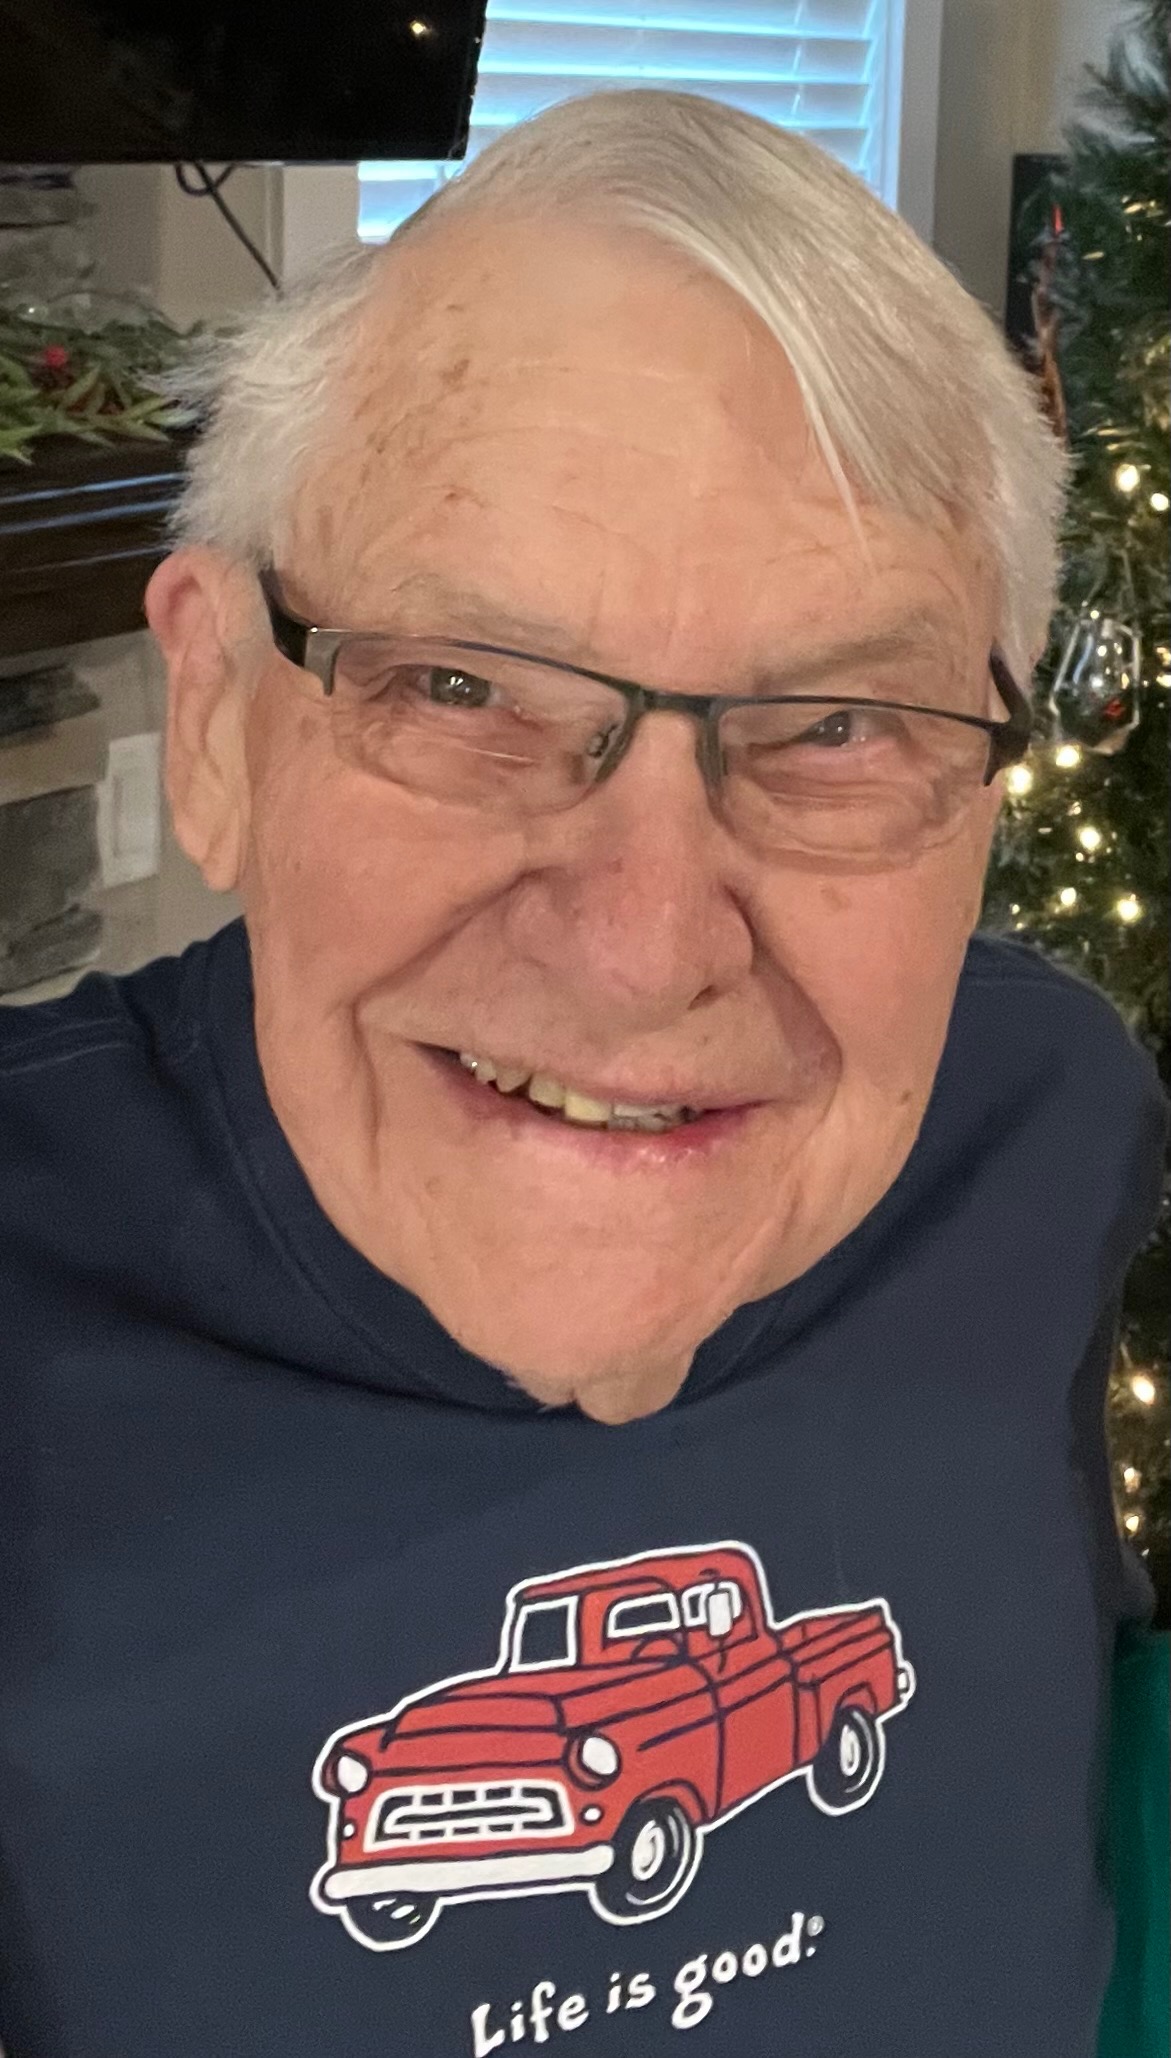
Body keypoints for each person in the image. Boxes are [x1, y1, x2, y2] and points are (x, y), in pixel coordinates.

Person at [0, 89, 1164, 2058]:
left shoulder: (1044, 1123)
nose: (642, 944)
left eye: (841, 723)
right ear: (212, 717)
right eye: (458, 685)